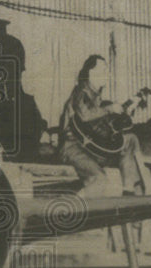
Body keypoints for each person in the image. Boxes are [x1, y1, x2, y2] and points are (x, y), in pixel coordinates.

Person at [58, 54, 143, 198]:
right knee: (99, 179)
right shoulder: (80, 92)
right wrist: (110, 109)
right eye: (103, 70)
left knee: (130, 139)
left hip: (92, 148)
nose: (107, 74)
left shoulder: (98, 98)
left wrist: (125, 113)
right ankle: (70, 208)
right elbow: (85, 115)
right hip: (74, 147)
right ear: (91, 73)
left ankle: (128, 191)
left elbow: (104, 129)